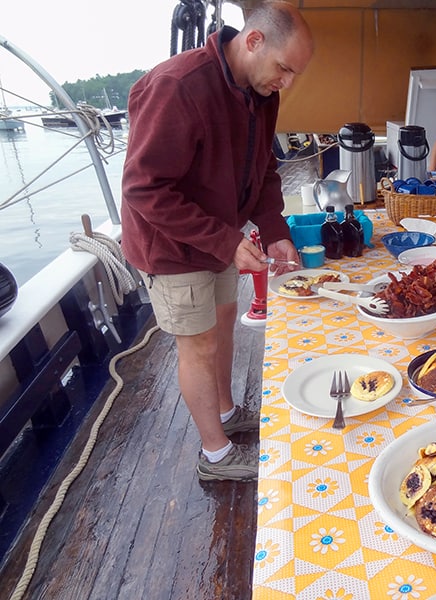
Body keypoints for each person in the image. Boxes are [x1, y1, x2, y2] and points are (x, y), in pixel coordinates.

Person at [121, 1, 313, 482]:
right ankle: (215, 456)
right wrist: (224, 241)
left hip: (219, 235)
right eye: (284, 69)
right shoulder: (176, 87)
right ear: (253, 42)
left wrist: (275, 232)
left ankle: (227, 414)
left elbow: (263, 169)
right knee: (199, 347)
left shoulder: (260, 91)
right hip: (172, 244)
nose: (286, 83)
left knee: (224, 322)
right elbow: (143, 188)